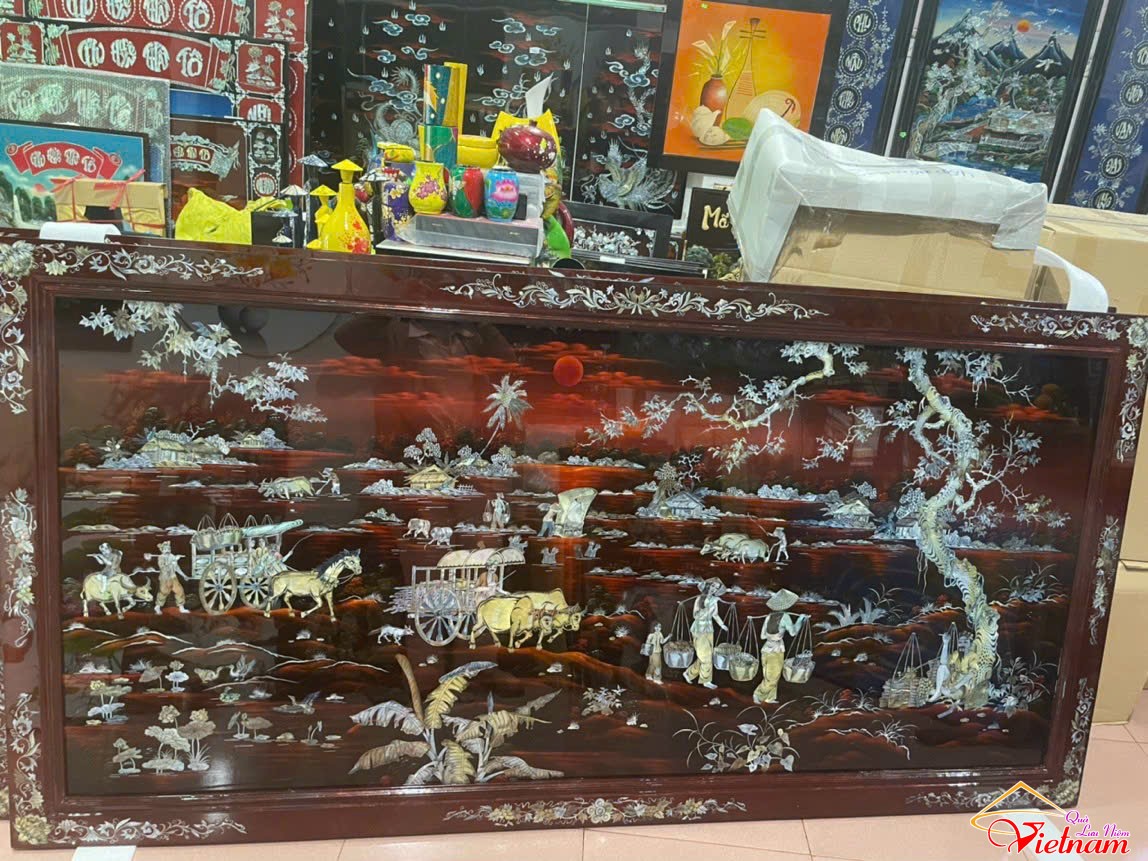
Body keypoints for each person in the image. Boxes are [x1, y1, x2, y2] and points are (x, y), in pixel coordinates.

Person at [753, 589, 806, 704]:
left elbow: (762, 636)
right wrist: (800, 619)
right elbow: (793, 632)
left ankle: (770, 697)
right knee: (773, 676)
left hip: (766, 648)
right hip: (776, 649)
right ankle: (758, 694)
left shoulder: (769, 616)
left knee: (769, 675)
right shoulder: (785, 616)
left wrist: (772, 634)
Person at [683, 578, 727, 689]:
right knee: (705, 657)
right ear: (708, 586)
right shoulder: (699, 599)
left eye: (716, 588)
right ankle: (706, 680)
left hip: (709, 629)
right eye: (713, 586)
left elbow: (715, 615)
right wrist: (709, 607)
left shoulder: (714, 600)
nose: (714, 589)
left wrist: (722, 625)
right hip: (699, 629)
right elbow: (696, 615)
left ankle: (689, 673)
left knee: (705, 655)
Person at [147, 541, 189, 614]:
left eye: (169, 549)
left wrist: (184, 575)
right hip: (165, 578)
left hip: (173, 577)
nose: (168, 550)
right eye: (165, 549)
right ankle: (157, 607)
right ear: (162, 550)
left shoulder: (172, 556)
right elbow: (163, 568)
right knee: (164, 592)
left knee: (179, 591)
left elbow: (176, 568)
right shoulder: (160, 557)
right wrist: (173, 561)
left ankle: (181, 607)